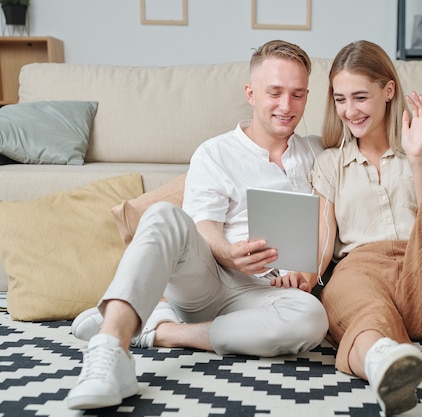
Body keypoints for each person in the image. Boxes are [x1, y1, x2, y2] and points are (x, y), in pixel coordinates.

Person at [65, 39, 332, 410]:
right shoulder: (215, 152)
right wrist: (229, 253)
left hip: (266, 296)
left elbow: (371, 134)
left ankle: (160, 330)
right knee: (162, 214)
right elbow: (204, 227)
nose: (286, 106)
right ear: (251, 93)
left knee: (312, 319)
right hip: (209, 280)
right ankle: (110, 351)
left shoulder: (317, 151)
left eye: (298, 95)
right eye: (275, 93)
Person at [270, 40, 422, 416]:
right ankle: (385, 365)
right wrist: (304, 277)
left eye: (360, 97)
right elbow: (324, 242)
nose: (349, 111)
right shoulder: (328, 162)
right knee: (360, 310)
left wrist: (417, 157)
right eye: (340, 99)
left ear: (388, 91)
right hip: (360, 271)